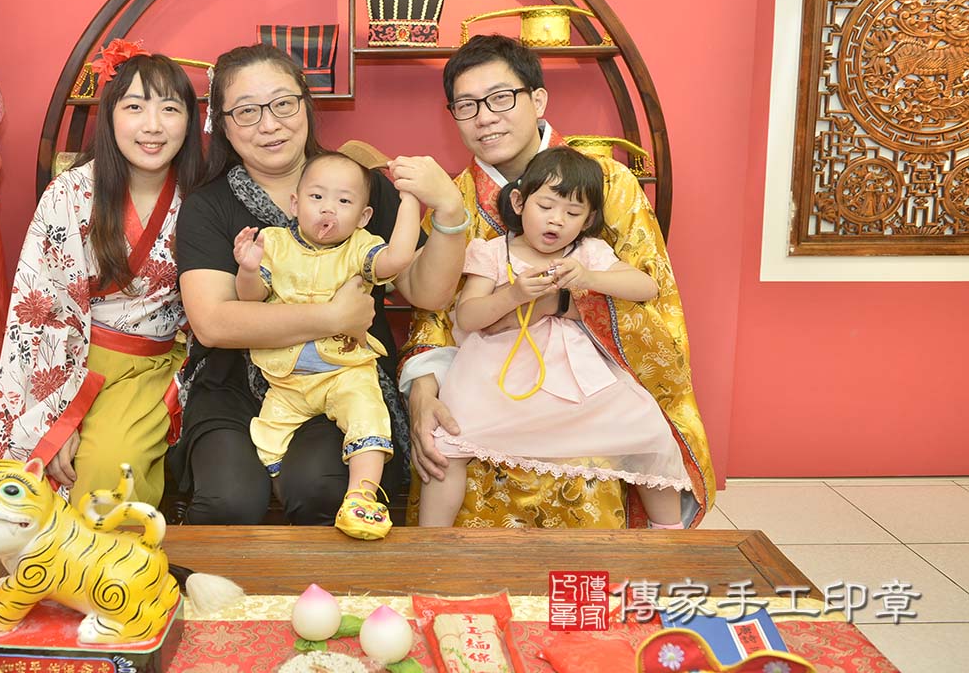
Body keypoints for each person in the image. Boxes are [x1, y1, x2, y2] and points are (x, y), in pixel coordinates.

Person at [399, 34, 715, 529]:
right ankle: (434, 562)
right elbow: (433, 316)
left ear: (538, 99)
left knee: (615, 453)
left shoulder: (608, 182)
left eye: (500, 98)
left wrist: (563, 304)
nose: (485, 117)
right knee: (448, 446)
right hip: (490, 388)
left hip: (585, 383)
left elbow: (655, 299)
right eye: (467, 105)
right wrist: (423, 396)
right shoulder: (455, 199)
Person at [0, 42, 206, 600]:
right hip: (59, 358)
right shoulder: (71, 192)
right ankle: (4, 610)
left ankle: (109, 600)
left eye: (169, 108)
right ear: (110, 117)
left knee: (110, 464)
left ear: (191, 120)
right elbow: (45, 306)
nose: (152, 125)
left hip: (147, 369)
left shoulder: (200, 198)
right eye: (134, 107)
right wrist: (56, 418)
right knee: (15, 469)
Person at [171, 43, 468, 527]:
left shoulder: (360, 186)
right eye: (247, 111)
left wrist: (451, 213)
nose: (269, 124)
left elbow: (427, 292)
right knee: (229, 500)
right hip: (233, 385)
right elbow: (215, 322)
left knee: (323, 490)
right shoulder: (208, 206)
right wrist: (333, 316)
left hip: (339, 375)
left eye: (283, 104)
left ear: (306, 105)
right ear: (222, 124)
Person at [417, 146, 692, 527]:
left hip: (575, 373)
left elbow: (646, 286)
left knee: (652, 431)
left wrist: (591, 277)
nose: (556, 220)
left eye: (573, 213)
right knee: (446, 446)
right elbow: (468, 315)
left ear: (588, 219)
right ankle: (431, 544)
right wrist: (513, 295)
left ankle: (669, 537)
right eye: (545, 206)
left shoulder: (588, 252)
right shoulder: (493, 252)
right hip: (495, 376)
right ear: (519, 202)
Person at [233, 151, 422, 539]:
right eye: (317, 197)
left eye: (344, 201)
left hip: (345, 372)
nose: (328, 209)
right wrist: (248, 269)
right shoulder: (274, 242)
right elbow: (251, 299)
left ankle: (361, 497)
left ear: (363, 217)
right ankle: (284, 507)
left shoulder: (360, 247)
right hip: (286, 381)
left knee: (368, 415)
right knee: (265, 441)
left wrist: (409, 200)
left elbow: (399, 257)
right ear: (295, 203)